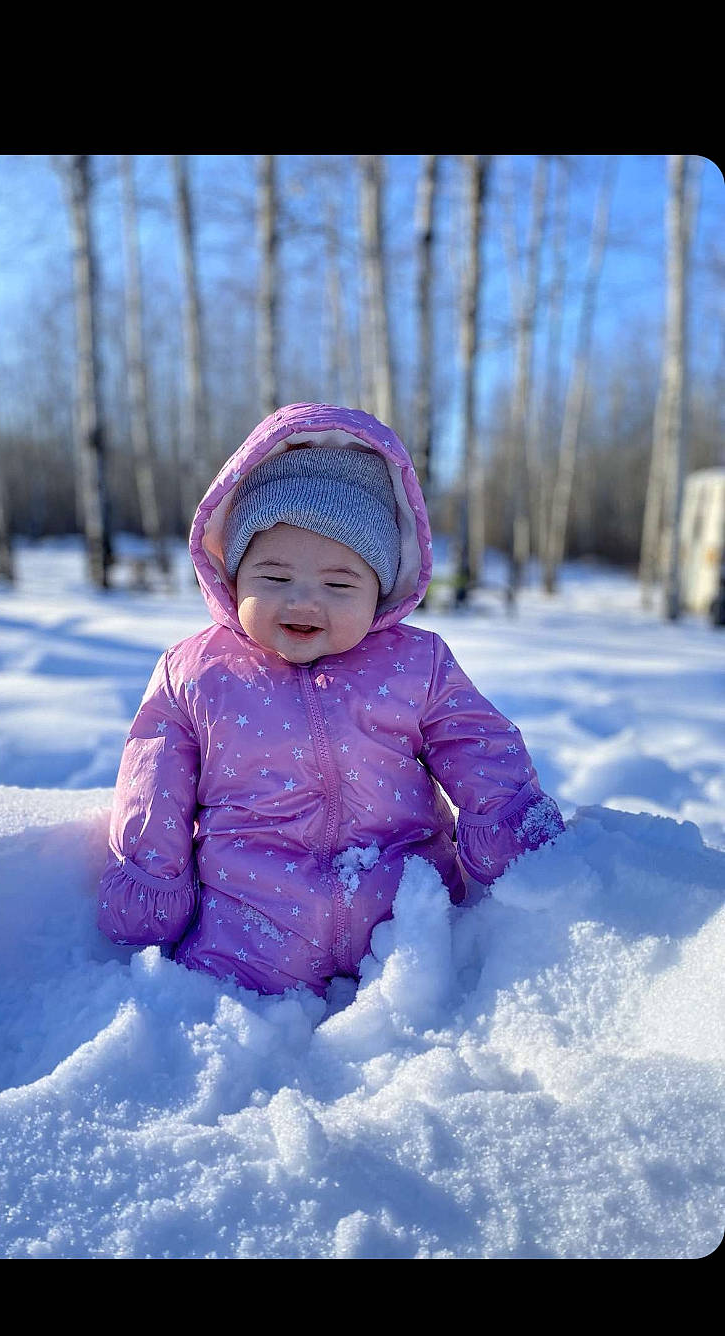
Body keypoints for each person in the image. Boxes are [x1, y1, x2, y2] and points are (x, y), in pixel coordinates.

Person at [97, 403, 566, 998]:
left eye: (339, 584)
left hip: (409, 925)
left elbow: (477, 743)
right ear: (234, 577)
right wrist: (150, 888)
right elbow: (153, 784)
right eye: (273, 578)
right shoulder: (196, 673)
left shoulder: (416, 664)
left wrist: (511, 830)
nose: (303, 603)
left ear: (381, 586)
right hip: (249, 932)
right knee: (230, 1040)